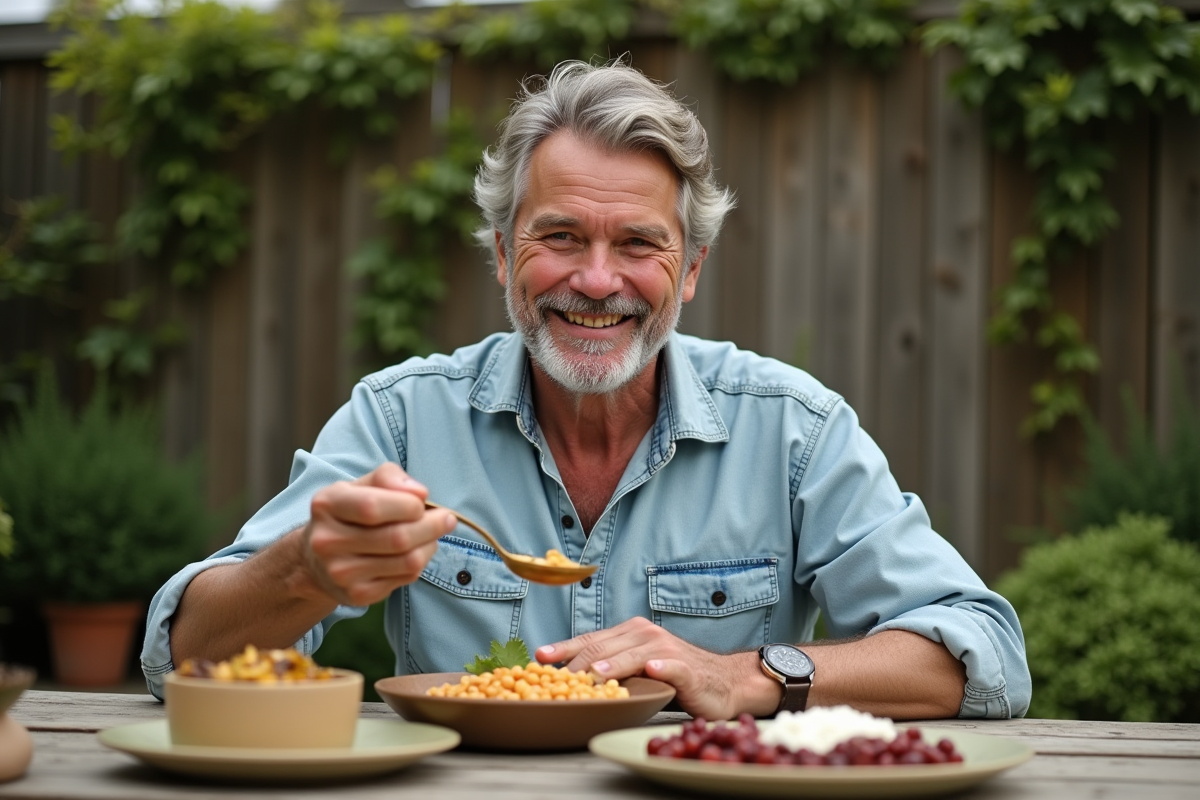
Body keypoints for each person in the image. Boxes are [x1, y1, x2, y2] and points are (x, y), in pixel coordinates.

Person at [142, 59, 1030, 720]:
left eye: (639, 245)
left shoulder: (792, 429)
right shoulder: (402, 418)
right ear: (501, 256)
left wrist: (750, 673)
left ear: (688, 273)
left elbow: (981, 652)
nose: (598, 281)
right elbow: (180, 658)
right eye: (560, 236)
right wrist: (303, 567)